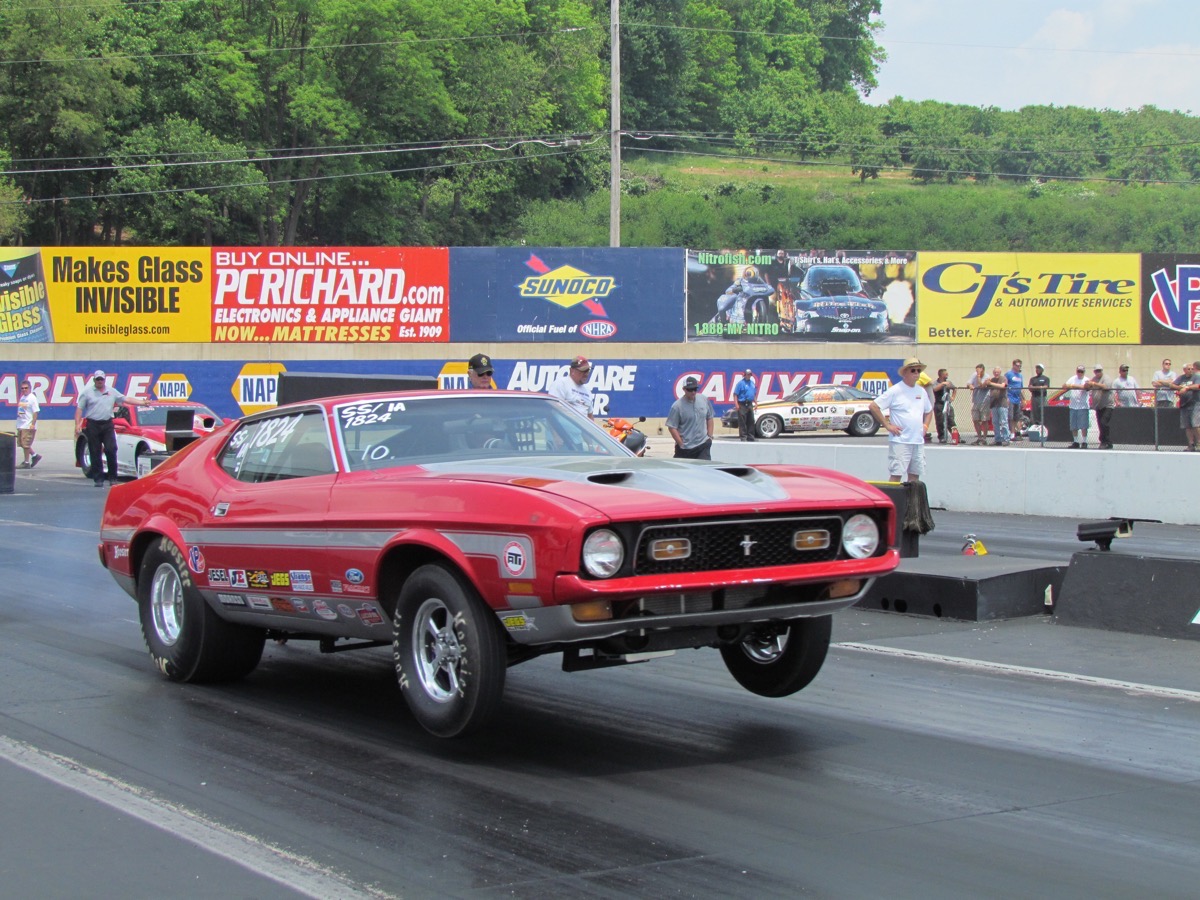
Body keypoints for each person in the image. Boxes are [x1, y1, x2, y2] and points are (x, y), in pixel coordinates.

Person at [74, 370, 148, 486]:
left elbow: (125, 399)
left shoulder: (111, 391)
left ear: (104, 380)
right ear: (94, 380)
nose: (99, 381)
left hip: (107, 424)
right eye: (97, 379)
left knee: (111, 449)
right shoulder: (87, 393)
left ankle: (113, 477)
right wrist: (77, 424)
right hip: (93, 424)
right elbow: (79, 409)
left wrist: (142, 403)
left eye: (101, 379)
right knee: (95, 451)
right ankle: (98, 479)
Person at [868, 358, 933, 482]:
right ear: (905, 373)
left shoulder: (921, 391)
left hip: (917, 441)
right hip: (900, 441)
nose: (916, 373)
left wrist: (925, 426)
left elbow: (929, 411)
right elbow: (874, 406)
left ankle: (911, 501)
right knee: (896, 474)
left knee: (915, 476)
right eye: (913, 370)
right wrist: (887, 426)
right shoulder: (895, 390)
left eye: (918, 370)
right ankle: (894, 501)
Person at [666, 376, 714, 459]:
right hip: (685, 449)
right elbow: (672, 427)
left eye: (695, 389)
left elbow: (710, 417)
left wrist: (709, 437)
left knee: (705, 470)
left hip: (703, 445)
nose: (693, 392)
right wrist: (681, 443)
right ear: (684, 389)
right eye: (690, 389)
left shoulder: (704, 399)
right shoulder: (677, 406)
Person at [1054, 365, 1091, 448]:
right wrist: (1072, 386)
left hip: (1083, 406)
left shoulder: (1086, 379)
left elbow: (1087, 387)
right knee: (1074, 425)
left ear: (1084, 372)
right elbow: (1064, 386)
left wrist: (1073, 386)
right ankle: (1076, 441)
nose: (1080, 373)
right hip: (1073, 406)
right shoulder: (1073, 378)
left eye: (1082, 371)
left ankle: (1084, 442)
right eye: (1078, 371)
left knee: (1083, 426)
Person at [549, 355, 594, 420]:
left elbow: (590, 416)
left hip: (582, 428)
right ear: (572, 370)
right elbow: (553, 410)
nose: (586, 374)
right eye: (583, 371)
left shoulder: (587, 390)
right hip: (564, 428)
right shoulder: (561, 384)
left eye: (588, 370)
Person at [1085, 364, 1114, 449]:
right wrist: (1087, 384)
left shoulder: (1106, 378)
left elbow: (1106, 387)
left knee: (1103, 422)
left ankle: (1106, 441)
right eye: (1096, 371)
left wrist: (1094, 383)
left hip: (1107, 405)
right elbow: (1087, 388)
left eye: (1099, 371)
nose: (1098, 373)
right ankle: (1105, 442)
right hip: (1098, 406)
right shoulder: (1093, 379)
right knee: (1100, 424)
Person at [1173, 362, 1200, 451]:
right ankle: (1191, 445)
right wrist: (1179, 387)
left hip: (1195, 403)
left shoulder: (1196, 377)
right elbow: (1172, 385)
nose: (1191, 370)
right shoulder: (1181, 378)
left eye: (1192, 368)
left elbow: (1197, 386)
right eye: (1189, 369)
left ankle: (1199, 443)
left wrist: (1187, 388)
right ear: (1184, 370)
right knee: (1187, 426)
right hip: (1184, 404)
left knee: (1195, 424)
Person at [16, 379, 42, 469]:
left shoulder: (32, 398)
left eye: (26, 388)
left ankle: (26, 462)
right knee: (22, 443)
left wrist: (33, 424)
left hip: (28, 425)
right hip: (21, 424)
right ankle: (35, 456)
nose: (24, 390)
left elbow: (36, 412)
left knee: (26, 444)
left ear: (30, 388)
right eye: (22, 388)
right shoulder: (23, 397)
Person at [985, 366, 1010, 446]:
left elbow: (1002, 386)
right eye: (995, 372)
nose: (996, 373)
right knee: (995, 422)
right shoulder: (991, 380)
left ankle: (1006, 439)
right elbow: (984, 386)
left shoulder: (1003, 378)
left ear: (1000, 372)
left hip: (1002, 403)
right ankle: (997, 439)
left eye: (998, 372)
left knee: (1003, 422)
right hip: (994, 404)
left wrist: (991, 383)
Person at [931, 368, 957, 443]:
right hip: (939, 404)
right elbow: (935, 389)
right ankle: (942, 437)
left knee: (951, 420)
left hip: (947, 403)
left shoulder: (949, 382)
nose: (947, 375)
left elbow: (954, 389)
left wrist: (953, 397)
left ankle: (956, 437)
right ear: (941, 375)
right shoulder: (935, 382)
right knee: (940, 421)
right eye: (945, 374)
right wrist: (942, 384)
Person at [968, 363, 990, 445]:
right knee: (975, 419)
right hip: (976, 400)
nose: (977, 372)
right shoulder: (974, 375)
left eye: (978, 371)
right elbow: (969, 382)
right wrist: (970, 385)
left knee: (984, 420)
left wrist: (978, 377)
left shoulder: (987, 377)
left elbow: (982, 385)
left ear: (983, 370)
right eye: (976, 371)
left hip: (984, 401)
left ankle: (984, 438)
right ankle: (979, 437)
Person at [734, 368, 757, 441]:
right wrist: (736, 404)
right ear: (744, 375)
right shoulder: (740, 383)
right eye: (747, 374)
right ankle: (743, 437)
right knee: (742, 422)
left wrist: (756, 402)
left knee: (751, 421)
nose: (749, 376)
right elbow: (735, 394)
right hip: (742, 404)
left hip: (750, 404)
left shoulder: (752, 383)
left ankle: (751, 437)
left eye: (750, 374)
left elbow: (754, 394)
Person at [1027, 363, 1050, 433]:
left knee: (1042, 412)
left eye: (1039, 368)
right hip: (1034, 397)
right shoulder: (1033, 379)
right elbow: (1030, 388)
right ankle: (1035, 427)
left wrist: (1035, 387)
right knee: (1035, 413)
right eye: (1036, 368)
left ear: (1042, 370)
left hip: (1042, 397)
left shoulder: (1045, 378)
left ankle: (1043, 427)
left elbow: (1045, 387)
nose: (1037, 370)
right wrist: (1040, 387)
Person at [1005, 359, 1024, 440]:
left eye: (1019, 366)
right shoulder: (1008, 374)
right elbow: (1005, 386)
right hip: (1010, 397)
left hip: (1017, 399)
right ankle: (1012, 433)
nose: (1018, 367)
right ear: (1013, 365)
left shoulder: (1020, 376)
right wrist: (1006, 398)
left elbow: (1021, 388)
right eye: (1017, 365)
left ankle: (1018, 432)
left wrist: (1023, 399)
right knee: (1011, 417)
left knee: (1018, 417)